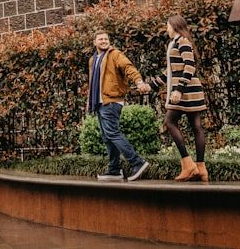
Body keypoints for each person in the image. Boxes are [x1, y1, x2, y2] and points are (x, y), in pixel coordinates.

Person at [149, 14, 208, 182]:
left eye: (167, 25)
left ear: (174, 26)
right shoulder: (175, 43)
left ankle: (189, 165)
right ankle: (201, 169)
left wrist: (179, 89)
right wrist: (152, 85)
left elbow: (189, 66)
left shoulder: (182, 41)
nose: (166, 29)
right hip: (189, 90)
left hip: (186, 91)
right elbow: (171, 71)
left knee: (170, 122)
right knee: (196, 125)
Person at [87, 30, 152, 182]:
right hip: (100, 102)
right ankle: (114, 169)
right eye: (100, 39)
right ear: (94, 42)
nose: (104, 41)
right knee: (107, 136)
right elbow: (93, 83)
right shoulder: (93, 60)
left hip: (112, 100)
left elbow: (128, 67)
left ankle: (137, 162)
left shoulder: (115, 54)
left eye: (106, 38)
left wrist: (139, 81)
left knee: (112, 133)